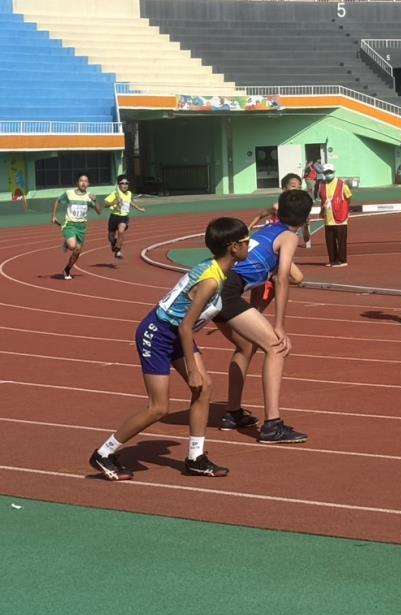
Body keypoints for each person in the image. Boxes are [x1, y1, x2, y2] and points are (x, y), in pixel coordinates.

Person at [89, 217, 250, 480]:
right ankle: (104, 453)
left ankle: (195, 458)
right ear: (234, 247)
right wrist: (192, 369)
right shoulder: (211, 280)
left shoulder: (217, 268)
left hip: (174, 333)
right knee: (159, 408)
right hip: (158, 334)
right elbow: (186, 326)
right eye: (246, 241)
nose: (249, 245)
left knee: (204, 389)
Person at [212, 190, 312, 444]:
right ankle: (272, 426)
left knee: (246, 346)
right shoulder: (289, 237)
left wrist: (255, 313)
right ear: (306, 219)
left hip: (216, 286)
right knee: (276, 347)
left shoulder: (269, 230)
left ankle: (233, 413)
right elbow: (282, 279)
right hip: (228, 291)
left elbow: (273, 275)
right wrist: (279, 326)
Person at [51, 174, 102, 280]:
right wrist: (54, 216)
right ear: (77, 183)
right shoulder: (69, 193)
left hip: (81, 227)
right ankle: (67, 242)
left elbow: (99, 211)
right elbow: (57, 201)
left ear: (88, 184)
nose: (83, 183)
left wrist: (95, 200)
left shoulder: (89, 196)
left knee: (77, 251)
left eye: (86, 181)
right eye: (81, 181)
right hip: (70, 224)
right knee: (72, 245)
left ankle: (67, 269)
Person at [250, 173, 312, 249]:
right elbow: (260, 215)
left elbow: (306, 239)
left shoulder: (300, 210)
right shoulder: (277, 207)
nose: (296, 189)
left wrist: (306, 226)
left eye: (299, 187)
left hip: (288, 242)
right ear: (284, 189)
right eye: (293, 186)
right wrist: (248, 228)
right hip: (273, 241)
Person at [105, 174, 145, 260]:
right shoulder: (115, 194)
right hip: (114, 216)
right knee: (111, 238)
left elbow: (130, 202)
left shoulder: (129, 193)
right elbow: (106, 204)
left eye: (126, 183)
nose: (125, 185)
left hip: (124, 217)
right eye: (122, 183)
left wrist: (139, 208)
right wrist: (115, 202)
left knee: (121, 231)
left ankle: (118, 250)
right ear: (119, 185)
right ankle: (114, 244)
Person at [319, 164, 353, 267]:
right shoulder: (322, 185)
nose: (328, 174)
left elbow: (348, 198)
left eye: (330, 172)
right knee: (330, 241)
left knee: (341, 240)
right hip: (328, 217)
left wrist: (342, 207)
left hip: (340, 217)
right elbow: (322, 200)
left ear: (334, 172)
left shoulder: (342, 185)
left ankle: (342, 260)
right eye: (326, 172)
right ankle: (333, 260)